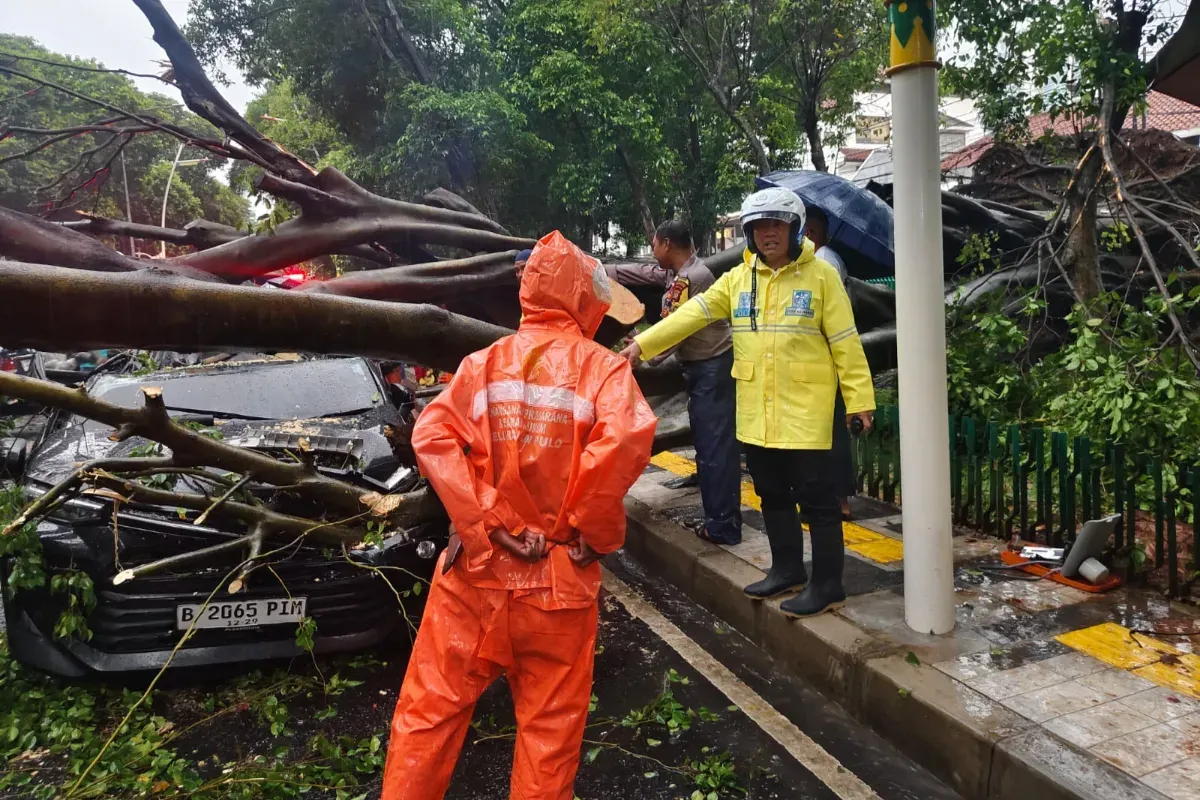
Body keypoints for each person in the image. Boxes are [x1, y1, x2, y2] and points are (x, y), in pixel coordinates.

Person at [382, 231, 657, 800]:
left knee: (428, 715)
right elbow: (625, 438)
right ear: (586, 300)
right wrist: (592, 530)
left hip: (476, 579)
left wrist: (487, 523)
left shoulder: (481, 365)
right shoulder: (605, 373)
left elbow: (432, 434)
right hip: (558, 584)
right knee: (548, 738)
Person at [620, 187, 875, 618]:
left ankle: (828, 584)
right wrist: (642, 345)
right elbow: (695, 312)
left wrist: (859, 401)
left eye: (776, 225)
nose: (767, 234)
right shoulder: (739, 279)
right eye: (759, 227)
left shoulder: (821, 277)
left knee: (818, 503)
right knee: (772, 495)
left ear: (794, 228)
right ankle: (787, 569)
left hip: (807, 414)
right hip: (758, 414)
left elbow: (846, 344)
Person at [610, 221, 742, 544]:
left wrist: (642, 349)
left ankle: (723, 525)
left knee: (715, 448)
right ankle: (720, 518)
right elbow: (656, 300)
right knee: (709, 444)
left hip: (711, 369)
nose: (652, 251)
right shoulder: (681, 275)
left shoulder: (691, 280)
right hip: (704, 367)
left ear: (666, 244)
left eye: (653, 244)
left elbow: (676, 327)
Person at [804, 207, 855, 520]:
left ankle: (837, 501)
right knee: (831, 430)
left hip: (825, 358)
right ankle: (836, 498)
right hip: (829, 356)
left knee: (829, 431)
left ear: (810, 233)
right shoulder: (833, 257)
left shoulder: (822, 262)